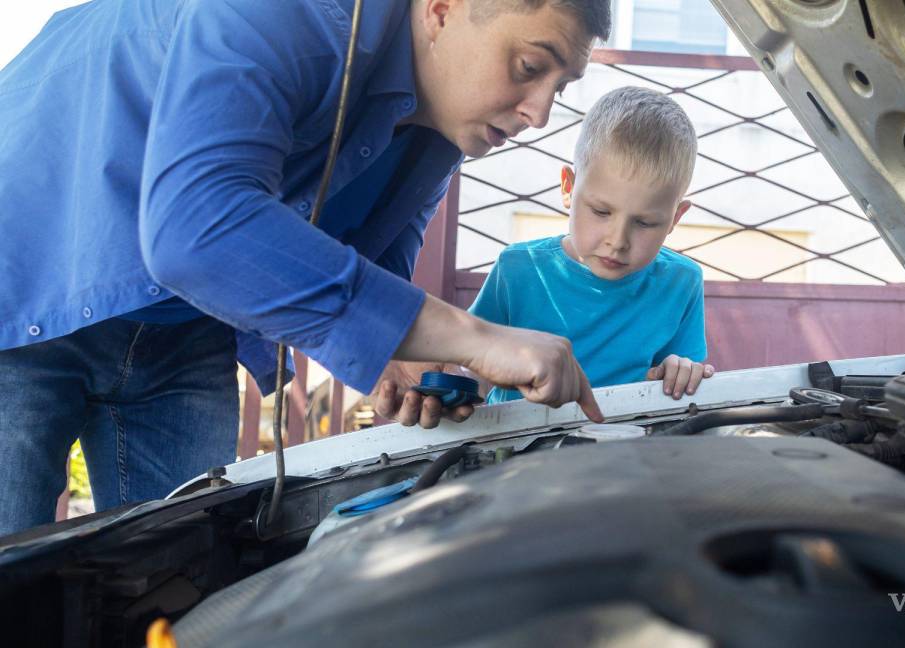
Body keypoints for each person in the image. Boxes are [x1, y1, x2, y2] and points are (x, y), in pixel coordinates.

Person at [0, 0, 610, 536]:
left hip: (188, 331)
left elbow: (376, 269)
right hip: (28, 279)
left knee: (171, 582)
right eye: (531, 67)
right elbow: (198, 226)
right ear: (443, 8)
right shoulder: (293, 10)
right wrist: (476, 338)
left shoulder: (441, 137)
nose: (540, 113)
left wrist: (396, 361)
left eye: (560, 87)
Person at [468, 86, 715, 404]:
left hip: (624, 445)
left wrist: (679, 370)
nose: (618, 241)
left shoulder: (682, 282)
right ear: (568, 188)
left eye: (643, 223)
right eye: (601, 212)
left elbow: (683, 376)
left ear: (674, 218)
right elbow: (472, 364)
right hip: (516, 448)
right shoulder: (517, 269)